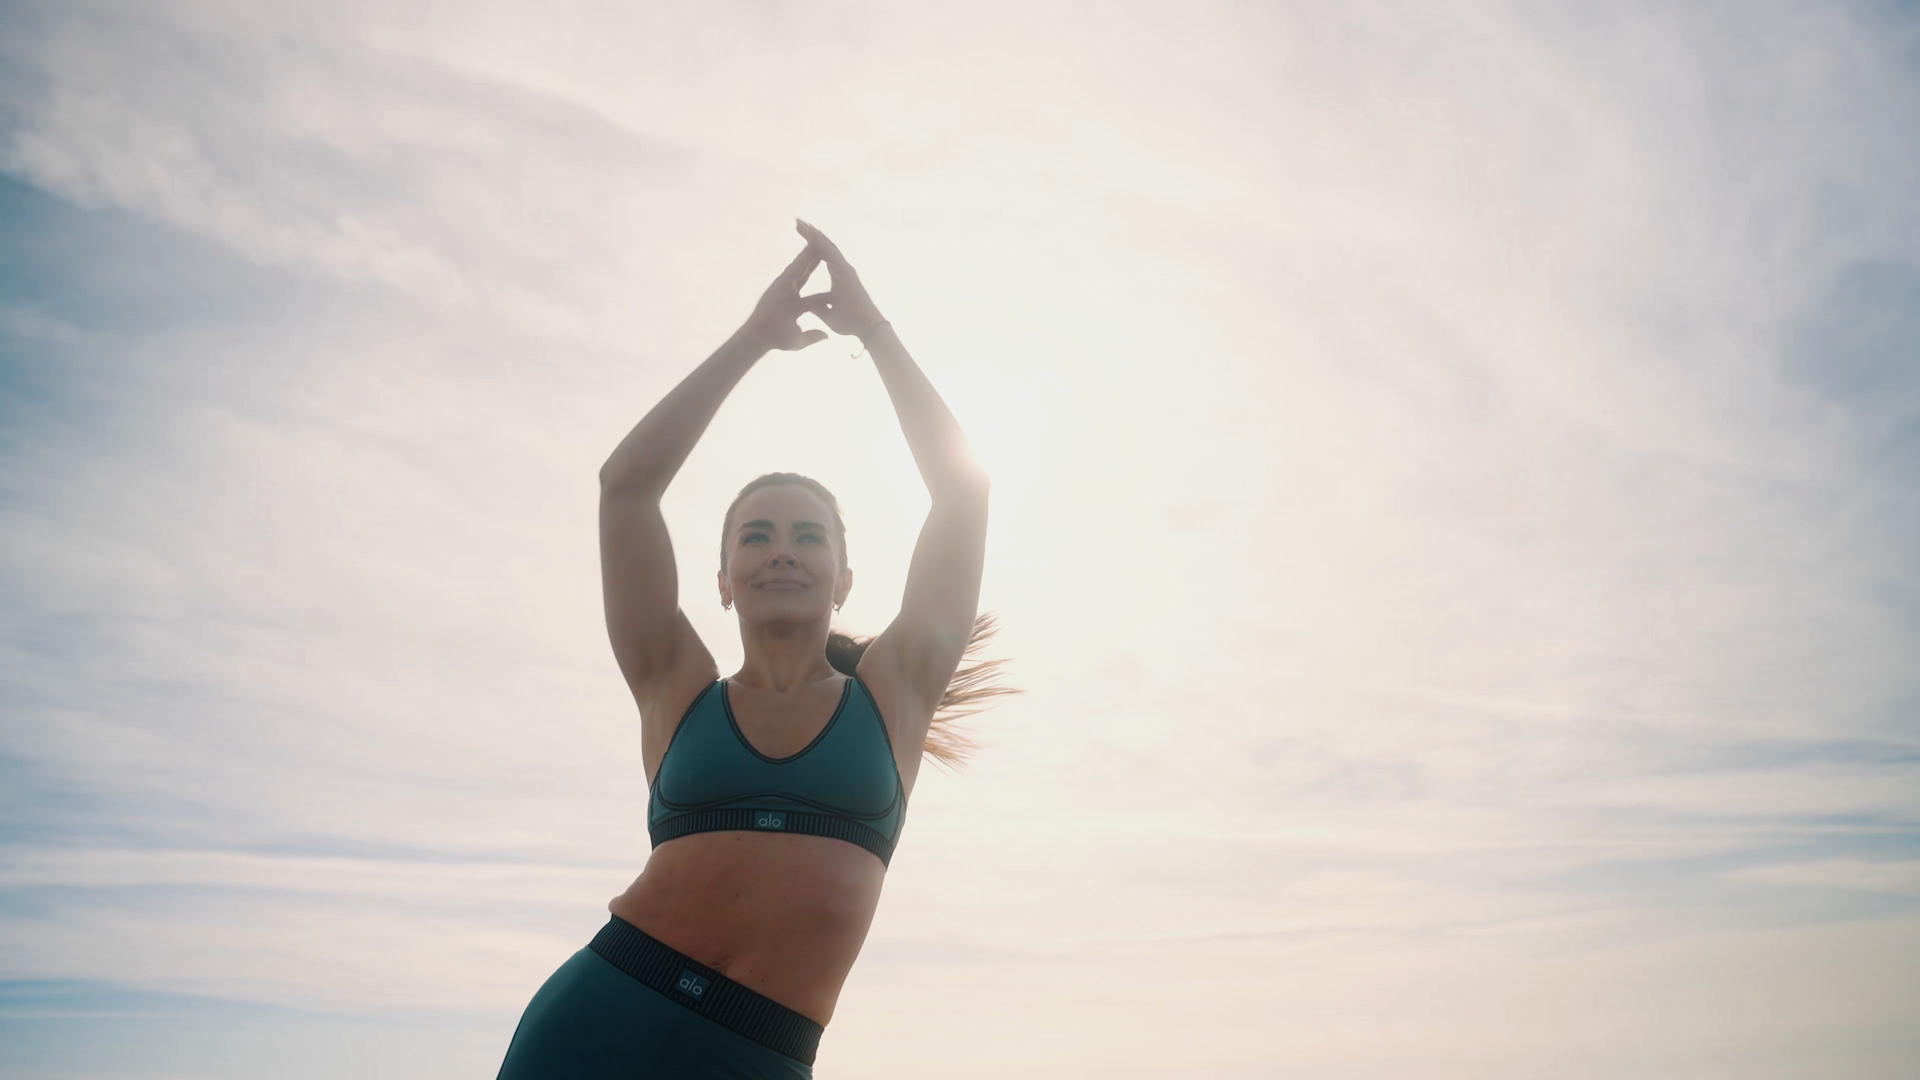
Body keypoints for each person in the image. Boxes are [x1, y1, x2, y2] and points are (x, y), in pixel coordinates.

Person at [496, 220, 1013, 1078]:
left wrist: (874, 331)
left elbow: (962, 490)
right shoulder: (675, 685)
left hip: (757, 1053)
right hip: (598, 1023)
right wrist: (752, 340)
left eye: (808, 537)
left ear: (843, 578)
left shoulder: (894, 693)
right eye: (757, 536)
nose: (783, 549)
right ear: (726, 579)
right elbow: (625, 490)